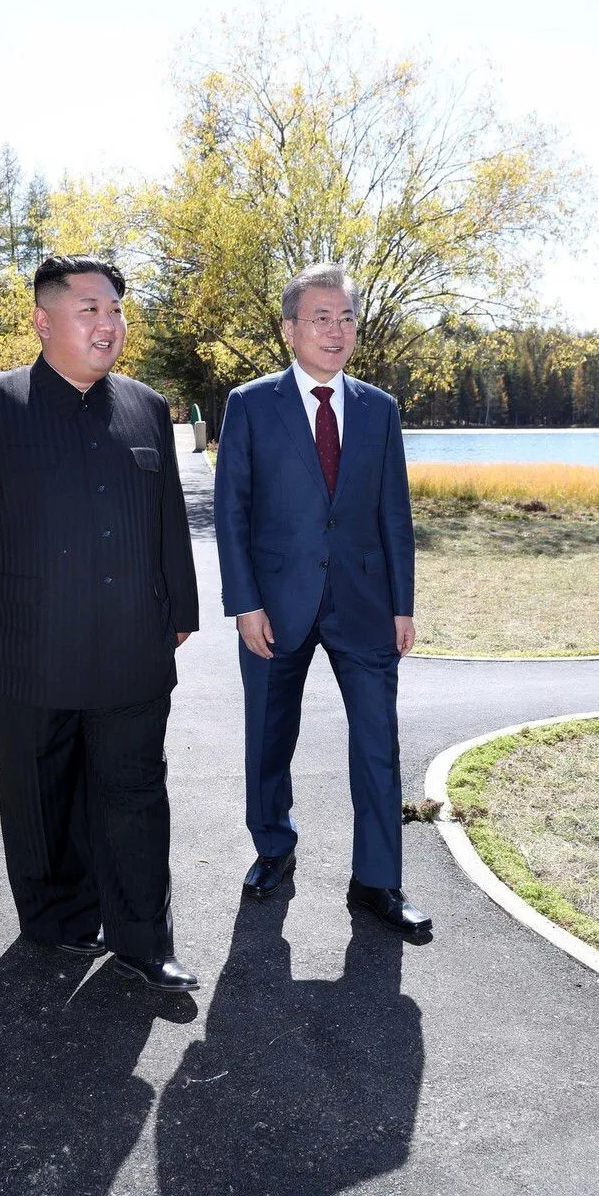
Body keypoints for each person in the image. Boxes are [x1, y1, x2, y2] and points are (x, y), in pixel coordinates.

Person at [0, 254, 200, 991]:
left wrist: (182, 608)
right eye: (90, 310)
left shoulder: (145, 406)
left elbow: (167, 519)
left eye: (115, 310)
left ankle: (143, 936)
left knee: (135, 791)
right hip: (31, 648)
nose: (108, 324)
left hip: (133, 649)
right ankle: (57, 919)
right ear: (45, 321)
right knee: (39, 791)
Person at [213, 262, 430, 938]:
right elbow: (232, 510)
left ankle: (378, 881)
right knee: (269, 735)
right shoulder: (249, 404)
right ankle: (274, 845)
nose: (337, 331)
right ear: (290, 330)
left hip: (365, 605)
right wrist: (245, 603)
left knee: (378, 743)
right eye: (321, 318)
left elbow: (394, 512)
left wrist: (403, 604)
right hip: (275, 606)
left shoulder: (380, 409)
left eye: (346, 318)